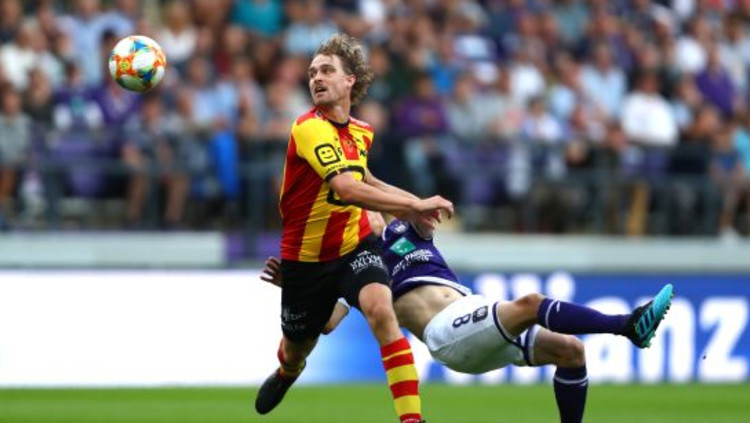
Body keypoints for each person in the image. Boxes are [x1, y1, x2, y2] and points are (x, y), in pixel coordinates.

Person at [261, 212, 674, 423]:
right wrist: (293, 287)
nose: (363, 212)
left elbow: (422, 215)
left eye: (365, 205)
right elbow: (328, 322)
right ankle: (628, 325)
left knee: (571, 352)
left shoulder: (405, 231)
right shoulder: (358, 267)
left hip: (471, 311)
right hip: (447, 333)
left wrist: (420, 207)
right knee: (531, 303)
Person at [254, 34, 454, 423]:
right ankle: (289, 371)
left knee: (382, 311)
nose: (316, 78)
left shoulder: (361, 132)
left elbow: (367, 180)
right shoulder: (307, 128)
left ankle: (412, 419)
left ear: (350, 81)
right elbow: (346, 188)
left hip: (354, 244)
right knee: (297, 349)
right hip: (306, 258)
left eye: (326, 70)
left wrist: (416, 204)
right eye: (312, 72)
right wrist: (413, 206)